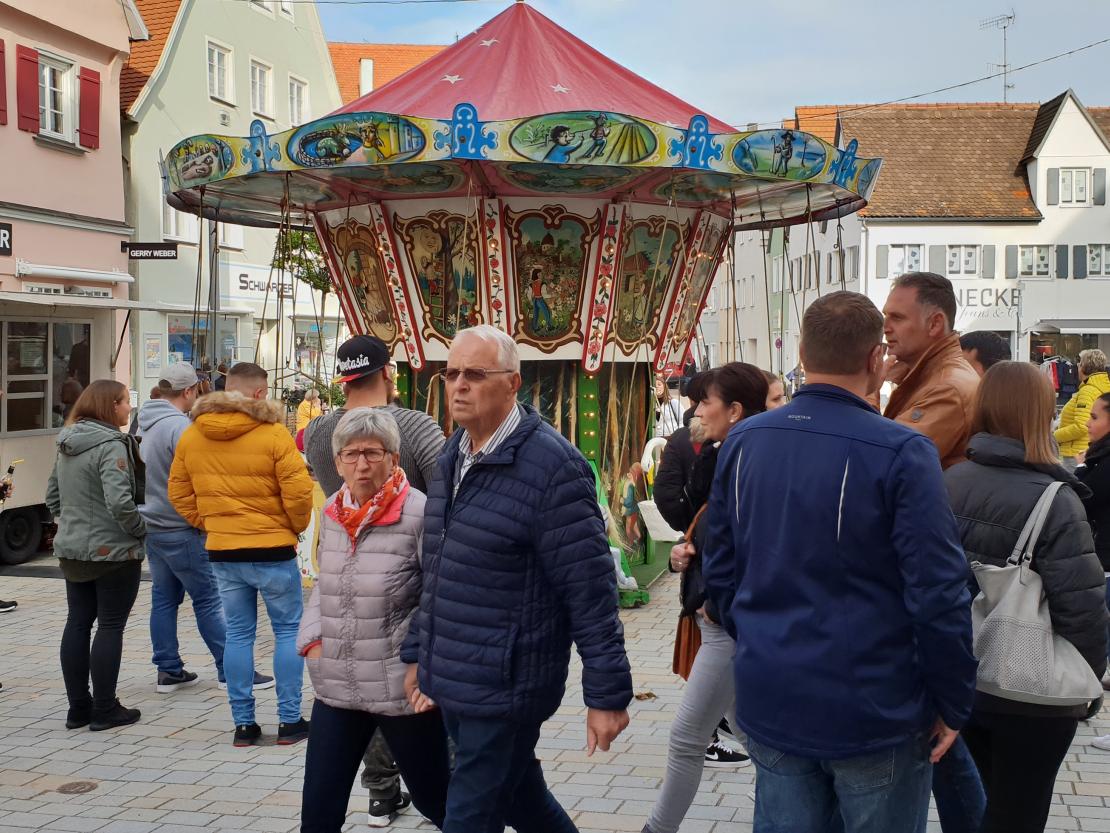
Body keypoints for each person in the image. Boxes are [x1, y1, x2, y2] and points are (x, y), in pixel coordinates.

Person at [703, 291, 978, 833]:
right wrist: (953, 699)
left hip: (775, 691)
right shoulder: (903, 451)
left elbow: (721, 568)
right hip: (874, 702)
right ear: (876, 359)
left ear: (803, 352)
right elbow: (938, 590)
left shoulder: (746, 441)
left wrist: (761, 637)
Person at [401, 324, 633, 833]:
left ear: (512, 383)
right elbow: (440, 567)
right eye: (451, 373)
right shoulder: (454, 453)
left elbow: (590, 591)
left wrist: (607, 694)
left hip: (508, 683)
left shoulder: (554, 467)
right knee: (522, 800)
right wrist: (420, 651)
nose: (459, 385)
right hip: (458, 672)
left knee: (469, 815)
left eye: (475, 374)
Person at [944, 362, 1106, 833]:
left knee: (982, 801)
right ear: (1040, 413)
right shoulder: (1057, 498)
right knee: (1021, 811)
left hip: (962, 677)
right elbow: (1083, 608)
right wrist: (1087, 683)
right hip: (1033, 692)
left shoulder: (946, 483)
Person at [303, 334, 445, 822]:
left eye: (374, 453)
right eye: (353, 455)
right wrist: (313, 643)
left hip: (402, 654)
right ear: (390, 374)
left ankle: (383, 790)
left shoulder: (320, 429)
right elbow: (452, 487)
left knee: (436, 790)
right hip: (344, 661)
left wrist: (423, 657)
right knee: (319, 807)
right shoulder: (418, 425)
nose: (362, 464)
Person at [642, 363, 771, 833]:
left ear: (735, 410)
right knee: (753, 737)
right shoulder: (725, 453)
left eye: (706, 402)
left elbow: (750, 543)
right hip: (720, 613)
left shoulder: (740, 457)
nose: (697, 409)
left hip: (726, 621)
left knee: (686, 737)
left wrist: (716, 601)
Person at [168, 362, 314, 747]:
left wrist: (211, 522)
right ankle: (289, 720)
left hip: (223, 549)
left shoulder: (192, 436)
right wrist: (292, 527)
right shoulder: (273, 434)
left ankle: (244, 724)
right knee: (286, 631)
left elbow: (179, 493)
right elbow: (299, 493)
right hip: (273, 549)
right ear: (260, 394)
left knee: (238, 634)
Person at [138, 363, 273, 695]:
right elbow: (201, 475)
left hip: (153, 524)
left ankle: (168, 669)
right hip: (184, 526)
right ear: (189, 392)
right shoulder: (180, 429)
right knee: (209, 599)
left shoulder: (142, 424)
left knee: (164, 599)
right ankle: (232, 669)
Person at [46, 380, 147, 732]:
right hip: (114, 552)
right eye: (124, 402)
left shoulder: (67, 442)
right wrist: (139, 529)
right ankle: (105, 708)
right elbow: (120, 501)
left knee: (77, 622)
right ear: (110, 406)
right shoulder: (112, 446)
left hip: (72, 550)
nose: (129, 408)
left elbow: (53, 497)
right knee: (110, 626)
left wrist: (71, 525)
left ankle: (78, 708)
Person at [881, 272, 980, 469]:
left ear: (935, 324)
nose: (885, 327)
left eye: (897, 318)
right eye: (886, 316)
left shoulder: (947, 389)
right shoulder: (932, 377)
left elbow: (883, 462)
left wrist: (867, 392)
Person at [1080, 393, 1110, 725]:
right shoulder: (1100, 458)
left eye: (1095, 417)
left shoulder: (1105, 462)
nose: (1088, 423)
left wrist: (1079, 467)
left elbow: (1086, 498)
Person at [1055, 349, 1110, 471]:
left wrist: (1054, 436)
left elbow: (1081, 426)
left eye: (1079, 364)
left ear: (1084, 366)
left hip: (1076, 452)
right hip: (1090, 448)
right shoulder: (1102, 387)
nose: (1077, 368)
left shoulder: (1087, 391)